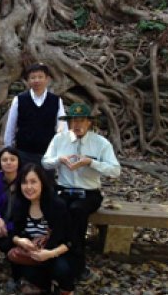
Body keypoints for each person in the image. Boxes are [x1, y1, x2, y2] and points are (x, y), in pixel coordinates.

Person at [42, 103, 120, 282]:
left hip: (89, 192)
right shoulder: (59, 139)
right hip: (63, 189)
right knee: (60, 208)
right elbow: (46, 162)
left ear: (89, 123)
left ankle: (72, 261)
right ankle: (62, 259)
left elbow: (116, 171)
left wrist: (90, 163)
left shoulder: (100, 143)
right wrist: (59, 160)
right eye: (73, 121)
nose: (77, 125)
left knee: (77, 210)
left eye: (81, 121)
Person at [7, 164, 74, 294]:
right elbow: (12, 233)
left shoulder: (56, 205)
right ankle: (46, 287)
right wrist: (19, 241)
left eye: (33, 182)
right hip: (32, 254)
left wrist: (49, 253)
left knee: (62, 269)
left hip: (54, 252)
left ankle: (66, 289)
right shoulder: (21, 204)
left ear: (42, 183)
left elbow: (70, 241)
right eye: (24, 182)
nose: (29, 187)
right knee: (27, 272)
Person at [3, 63, 66, 178]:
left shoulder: (56, 101)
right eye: (33, 77)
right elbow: (10, 126)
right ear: (28, 80)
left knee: (47, 185)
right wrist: (9, 149)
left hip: (48, 153)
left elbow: (62, 127)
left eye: (40, 77)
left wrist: (60, 151)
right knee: (25, 184)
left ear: (47, 79)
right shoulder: (20, 99)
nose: (36, 80)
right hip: (23, 152)